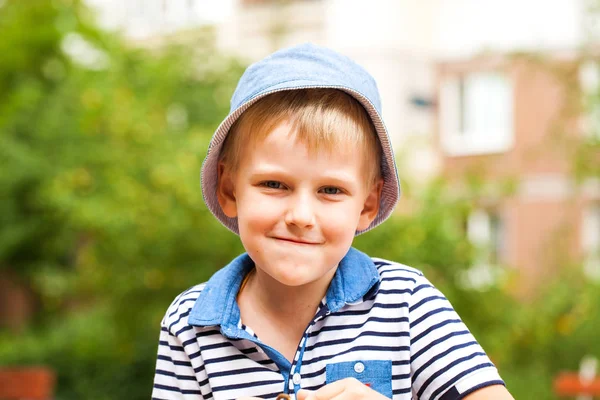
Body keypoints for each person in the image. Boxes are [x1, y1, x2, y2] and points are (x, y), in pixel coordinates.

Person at [151, 43, 514, 400]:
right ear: (229, 190)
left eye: (331, 190)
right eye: (274, 184)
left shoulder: (406, 303)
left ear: (367, 204)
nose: (301, 216)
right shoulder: (191, 325)